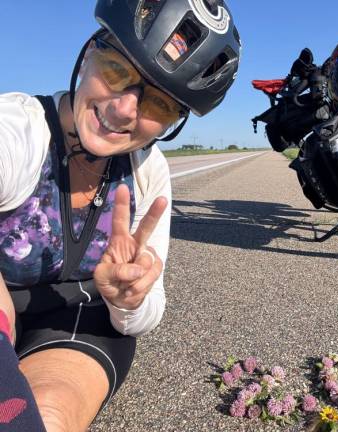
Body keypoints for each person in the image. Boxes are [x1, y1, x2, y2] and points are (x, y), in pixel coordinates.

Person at [0, 0, 241, 430]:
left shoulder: (148, 172)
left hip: (76, 318)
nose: (126, 109)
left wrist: (130, 296)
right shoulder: (18, 129)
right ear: (89, 52)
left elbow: (148, 314)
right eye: (116, 72)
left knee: (47, 418)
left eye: (161, 106)